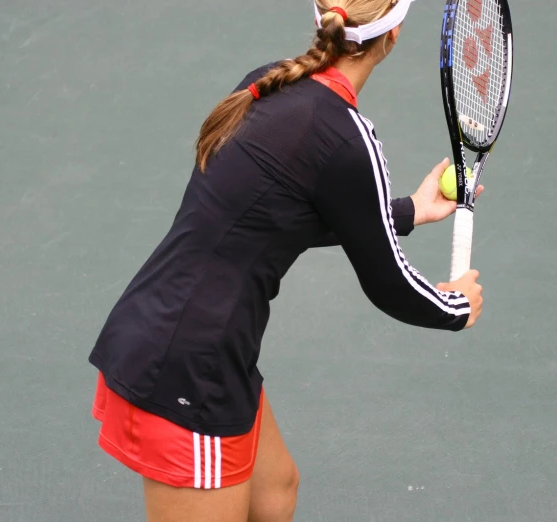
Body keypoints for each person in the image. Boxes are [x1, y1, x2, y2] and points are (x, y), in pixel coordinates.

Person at [88, 0, 484, 520]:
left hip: (179, 334)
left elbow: (274, 215)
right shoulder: (347, 138)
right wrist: (454, 305)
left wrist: (408, 210)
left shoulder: (267, 84)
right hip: (189, 368)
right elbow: (389, 283)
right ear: (394, 34)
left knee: (275, 493)